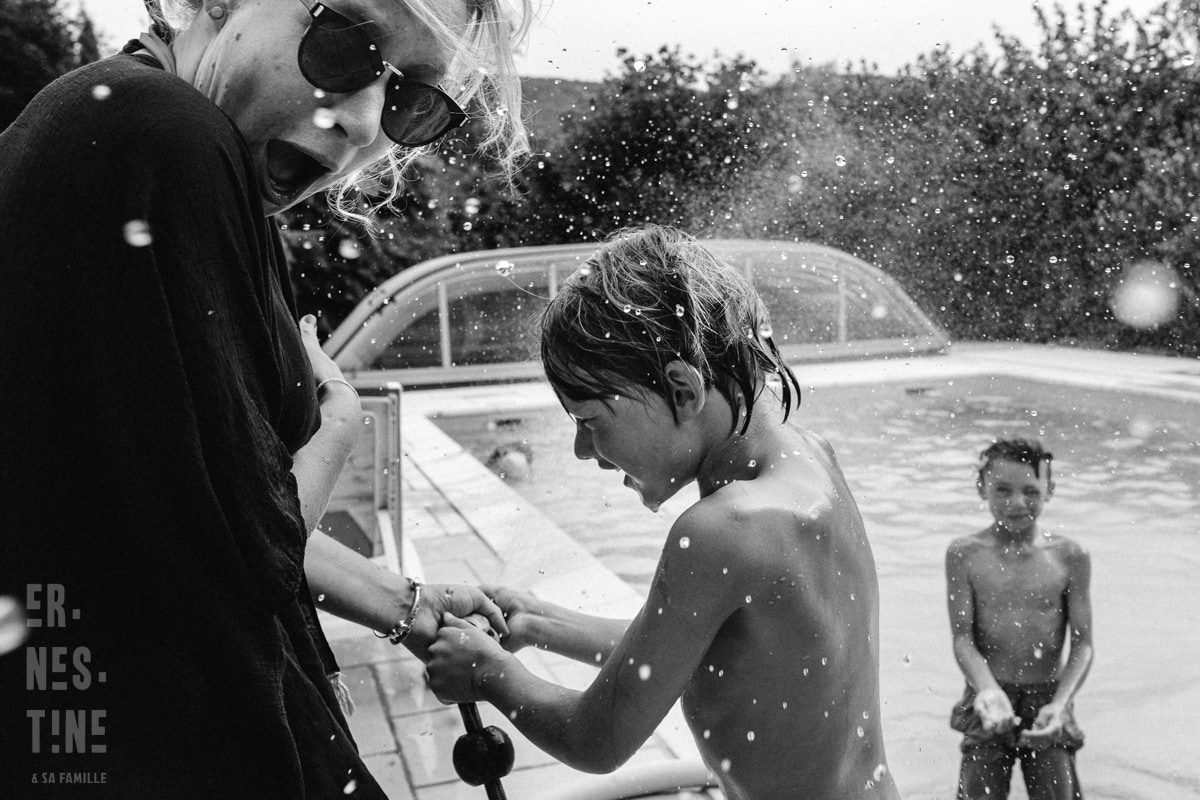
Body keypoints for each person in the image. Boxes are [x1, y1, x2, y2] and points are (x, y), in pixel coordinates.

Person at [0, 0, 533, 796]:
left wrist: (405, 602)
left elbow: (185, 502)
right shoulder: (166, 135)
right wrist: (338, 428)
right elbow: (239, 555)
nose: (362, 124)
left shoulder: (112, 118)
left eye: (411, 100)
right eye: (346, 42)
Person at [425, 225, 901, 799]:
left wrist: (488, 673)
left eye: (591, 421)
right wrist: (537, 622)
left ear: (682, 390)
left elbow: (595, 739)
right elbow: (702, 650)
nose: (583, 451)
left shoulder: (723, 530)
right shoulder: (809, 459)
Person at [945, 439, 1094, 800]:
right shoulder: (965, 554)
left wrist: (1059, 705)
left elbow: (1083, 644)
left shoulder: (1069, 556)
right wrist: (988, 690)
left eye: (1031, 491)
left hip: (1047, 698)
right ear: (982, 488)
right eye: (1003, 490)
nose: (1016, 503)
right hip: (988, 696)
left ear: (1050, 490)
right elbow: (963, 638)